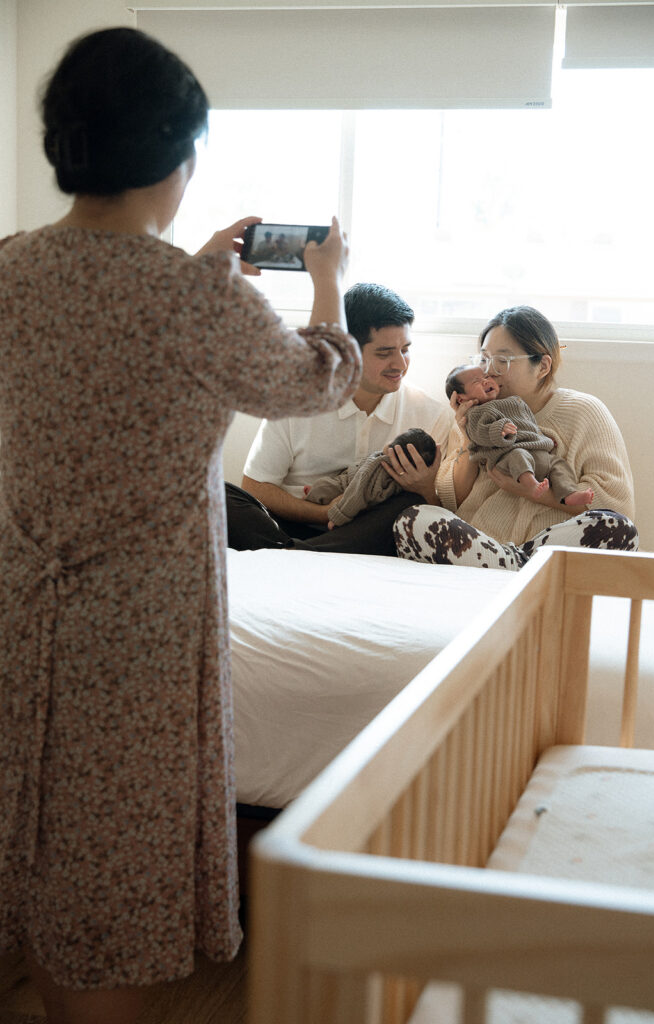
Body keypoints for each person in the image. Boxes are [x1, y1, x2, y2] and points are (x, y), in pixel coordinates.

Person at [0, 27, 361, 1024]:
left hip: (23, 603)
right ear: (178, 154)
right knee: (114, 862)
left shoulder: (13, 269)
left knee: (38, 829)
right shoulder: (190, 303)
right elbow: (319, 380)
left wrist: (195, 271)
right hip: (140, 628)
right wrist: (326, 277)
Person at [393, 306, 638, 570]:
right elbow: (451, 502)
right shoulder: (475, 414)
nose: (489, 371)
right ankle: (520, 570)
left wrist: (536, 493)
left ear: (542, 366)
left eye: (503, 361)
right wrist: (467, 437)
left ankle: (515, 566)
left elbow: (616, 504)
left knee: (619, 529)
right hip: (482, 546)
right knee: (412, 520)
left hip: (548, 548)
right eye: (484, 359)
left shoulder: (584, 411)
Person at [225, 281, 454, 556]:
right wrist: (324, 513)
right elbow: (256, 487)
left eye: (405, 349)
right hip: (292, 524)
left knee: (408, 505)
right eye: (384, 353)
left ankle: (291, 555)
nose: (400, 364)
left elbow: (436, 514)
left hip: (369, 532)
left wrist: (425, 488)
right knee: (219, 494)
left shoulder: (431, 415)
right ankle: (303, 552)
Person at [445, 363, 594, 506]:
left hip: (537, 453)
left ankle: (569, 494)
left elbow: (528, 424)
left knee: (558, 465)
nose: (486, 380)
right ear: (461, 398)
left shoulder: (514, 401)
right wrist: (499, 430)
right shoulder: (476, 413)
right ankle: (531, 484)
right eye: (477, 381)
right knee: (518, 455)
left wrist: (541, 437)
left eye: (485, 377)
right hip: (507, 456)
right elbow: (479, 433)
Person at [304, 427, 436, 528]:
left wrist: (338, 517)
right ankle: (311, 495)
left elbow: (357, 495)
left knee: (323, 486)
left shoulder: (383, 470)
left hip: (354, 492)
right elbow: (357, 490)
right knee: (325, 485)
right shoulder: (381, 470)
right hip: (348, 481)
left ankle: (311, 496)